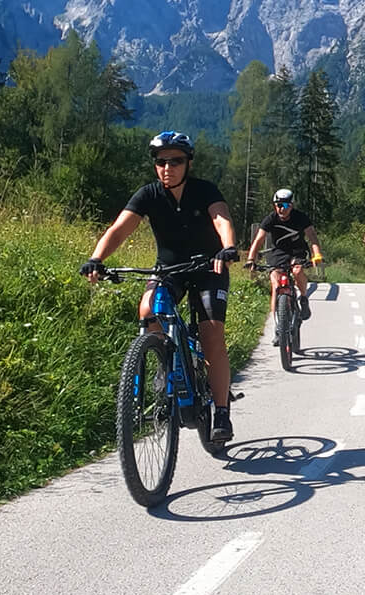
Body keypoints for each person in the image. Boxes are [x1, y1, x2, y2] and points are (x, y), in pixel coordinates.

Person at [80, 131, 239, 445]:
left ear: (188, 163)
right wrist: (97, 257)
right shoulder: (149, 194)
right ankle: (166, 364)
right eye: (161, 162)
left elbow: (222, 220)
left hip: (209, 268)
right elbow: (119, 229)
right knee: (148, 308)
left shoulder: (204, 190)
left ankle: (221, 410)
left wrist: (228, 248)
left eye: (176, 161)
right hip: (169, 270)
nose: (168, 167)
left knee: (211, 333)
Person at [245, 187, 323, 343]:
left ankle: (303, 298)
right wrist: (250, 259)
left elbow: (312, 236)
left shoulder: (300, 217)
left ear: (291, 206)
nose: (281, 208)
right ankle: (279, 326)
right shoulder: (270, 219)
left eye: (285, 205)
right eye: (278, 205)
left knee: (297, 270)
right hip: (278, 252)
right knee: (275, 284)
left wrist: (317, 254)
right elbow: (259, 239)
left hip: (297, 250)